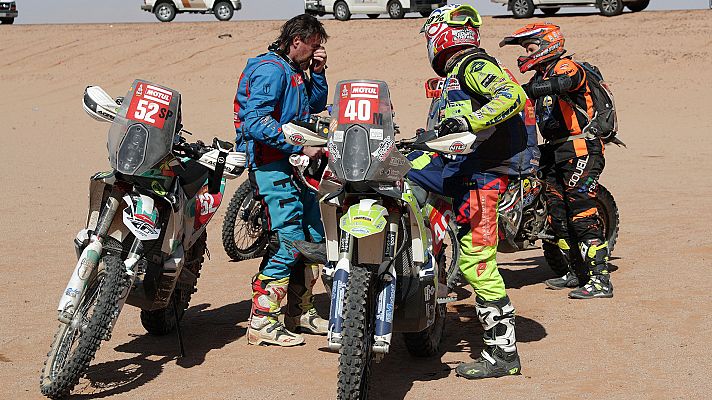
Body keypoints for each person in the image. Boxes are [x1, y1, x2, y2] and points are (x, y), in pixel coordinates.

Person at [409, 3, 533, 379]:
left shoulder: (473, 65)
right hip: (459, 168)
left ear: (439, 35)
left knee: (478, 264)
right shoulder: (454, 74)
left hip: (482, 175)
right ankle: (421, 248)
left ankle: (503, 353)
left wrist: (469, 119)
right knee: (400, 175)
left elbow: (511, 95)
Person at [233, 14, 330, 346]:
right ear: (297, 40)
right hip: (271, 166)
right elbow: (255, 122)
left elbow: (312, 106)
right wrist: (302, 143)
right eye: (314, 47)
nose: (316, 52)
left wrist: (317, 72)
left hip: (295, 166)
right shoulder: (271, 70)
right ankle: (261, 319)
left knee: (315, 237)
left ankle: (300, 311)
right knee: (289, 241)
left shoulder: (294, 71)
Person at [500, 23, 613, 299]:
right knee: (557, 217)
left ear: (547, 43)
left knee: (581, 214)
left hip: (581, 148)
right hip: (553, 151)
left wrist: (522, 90)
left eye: (530, 47)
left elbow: (565, 83)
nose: (526, 53)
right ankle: (577, 273)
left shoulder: (565, 66)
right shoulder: (542, 75)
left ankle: (601, 279)